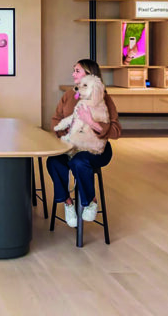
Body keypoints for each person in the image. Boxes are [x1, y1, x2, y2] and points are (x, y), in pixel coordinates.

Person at [47, 59, 121, 228]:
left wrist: (92, 123)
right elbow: (56, 120)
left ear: (89, 74)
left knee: (79, 162)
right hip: (71, 145)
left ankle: (90, 201)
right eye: (73, 70)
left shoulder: (104, 97)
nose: (73, 74)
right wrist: (67, 133)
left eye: (77, 71)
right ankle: (68, 203)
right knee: (53, 161)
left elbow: (116, 131)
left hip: (96, 149)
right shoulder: (68, 95)